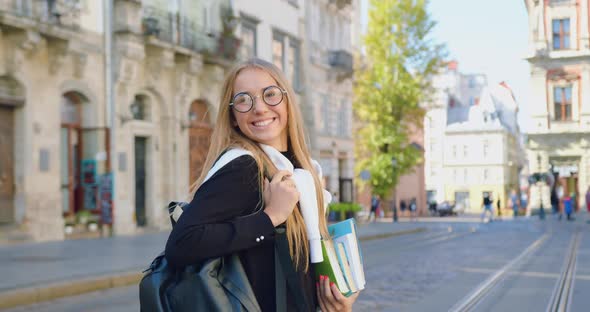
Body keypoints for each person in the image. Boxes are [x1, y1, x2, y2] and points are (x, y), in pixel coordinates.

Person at [165, 58, 359, 311]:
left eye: (270, 94)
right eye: (244, 100)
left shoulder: (301, 171)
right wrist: (271, 217)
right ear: (233, 116)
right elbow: (182, 244)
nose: (259, 108)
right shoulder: (243, 166)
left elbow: (296, 266)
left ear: (287, 102)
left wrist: (338, 300)